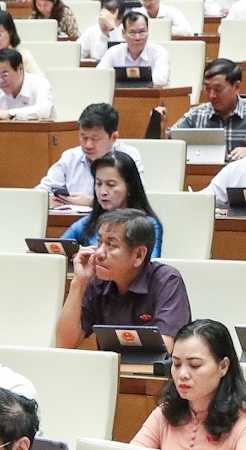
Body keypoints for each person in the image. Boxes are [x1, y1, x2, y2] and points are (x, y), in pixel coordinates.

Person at [131, 320, 246, 450]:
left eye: (194, 365)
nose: (182, 374)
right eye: (177, 364)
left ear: (223, 366)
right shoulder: (163, 414)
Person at [56, 208, 190, 349]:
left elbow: (165, 350)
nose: (99, 253)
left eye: (111, 245)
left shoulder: (167, 281)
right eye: (99, 242)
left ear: (138, 255)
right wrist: (78, 283)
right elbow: (64, 344)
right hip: (107, 369)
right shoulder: (96, 283)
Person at [36, 102, 144, 206]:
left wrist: (93, 203)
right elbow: (40, 192)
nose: (88, 145)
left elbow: (137, 198)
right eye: (83, 137)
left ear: (113, 137)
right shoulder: (71, 157)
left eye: (95, 138)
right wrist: (47, 200)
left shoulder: (128, 155)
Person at [62, 151, 164, 255]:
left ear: (129, 188)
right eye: (98, 184)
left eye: (111, 185)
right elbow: (55, 249)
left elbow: (150, 266)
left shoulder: (148, 224)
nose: (102, 192)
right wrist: (77, 252)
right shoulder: (87, 223)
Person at [179, 59, 246, 145]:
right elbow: (172, 143)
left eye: (218, 89)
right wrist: (163, 129)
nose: (212, 95)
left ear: (236, 87)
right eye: (207, 88)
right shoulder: (195, 116)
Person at [0, 49, 55, 122]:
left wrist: (10, 113)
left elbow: (43, 110)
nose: (0, 81)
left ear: (20, 68)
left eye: (5, 75)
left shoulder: (40, 83)